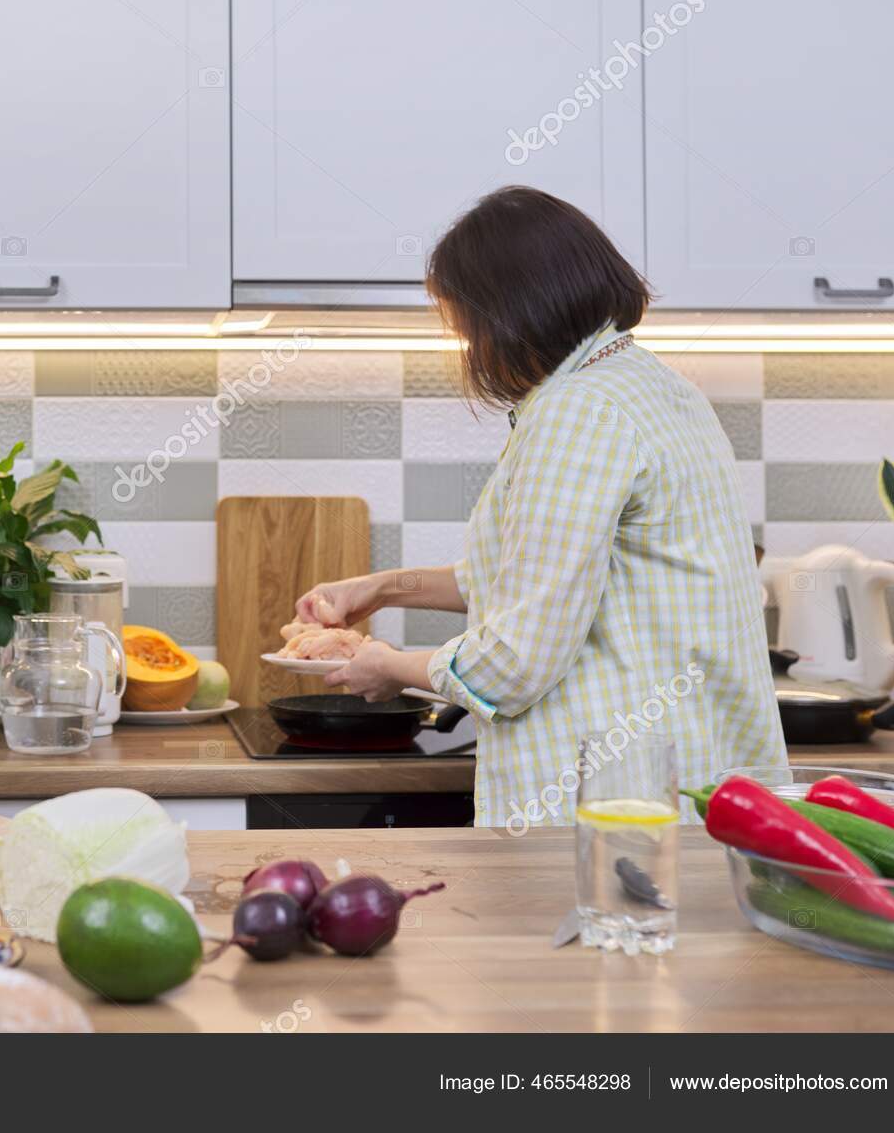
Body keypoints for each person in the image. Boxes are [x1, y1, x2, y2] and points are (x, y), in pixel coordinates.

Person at [295, 186, 786, 829]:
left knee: (612, 931)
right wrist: (382, 588)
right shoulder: (655, 387)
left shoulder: (579, 411)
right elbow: (540, 580)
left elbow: (516, 660)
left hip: (614, 805)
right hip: (693, 786)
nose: (467, 344)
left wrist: (391, 669)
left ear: (507, 309)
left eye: (462, 322)